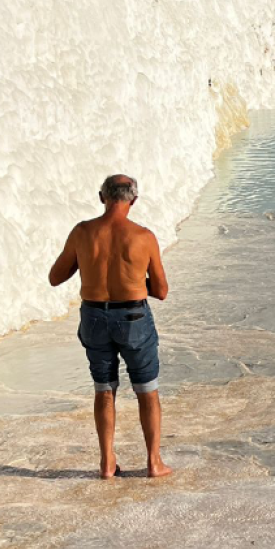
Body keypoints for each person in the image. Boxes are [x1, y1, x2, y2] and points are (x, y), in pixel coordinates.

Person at [47, 175, 173, 480]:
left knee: (104, 389)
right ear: (134, 200)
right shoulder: (144, 237)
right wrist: (130, 281)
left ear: (101, 196)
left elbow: (55, 277)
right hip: (133, 317)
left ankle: (106, 463)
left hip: (93, 316)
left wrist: (91, 270)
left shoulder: (82, 232)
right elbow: (161, 290)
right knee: (147, 390)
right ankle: (154, 462)